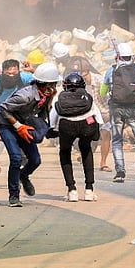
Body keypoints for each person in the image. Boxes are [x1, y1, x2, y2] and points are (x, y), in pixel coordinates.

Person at [0, 62, 60, 207]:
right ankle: (14, 195)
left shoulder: (46, 95)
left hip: (25, 124)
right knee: (16, 158)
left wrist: (42, 128)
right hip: (7, 125)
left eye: (54, 85)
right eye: (51, 85)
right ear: (42, 84)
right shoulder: (25, 96)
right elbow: (3, 109)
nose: (54, 88)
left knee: (35, 160)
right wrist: (18, 126)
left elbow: (43, 112)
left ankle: (24, 176)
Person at [49, 72, 103, 202]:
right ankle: (89, 190)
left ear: (65, 86)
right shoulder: (86, 96)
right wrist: (97, 131)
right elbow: (98, 116)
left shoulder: (60, 97)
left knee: (65, 152)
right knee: (86, 150)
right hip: (87, 125)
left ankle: (72, 190)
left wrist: (52, 130)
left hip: (67, 126)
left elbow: (53, 116)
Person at [103, 42, 135, 183]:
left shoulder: (111, 70)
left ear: (118, 56)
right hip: (134, 107)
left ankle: (120, 172)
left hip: (116, 108)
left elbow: (102, 91)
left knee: (117, 139)